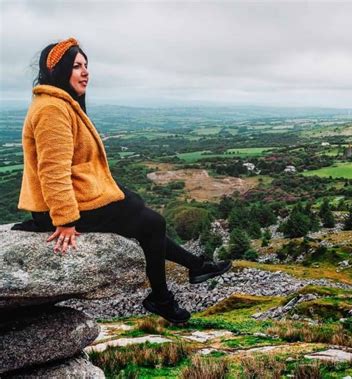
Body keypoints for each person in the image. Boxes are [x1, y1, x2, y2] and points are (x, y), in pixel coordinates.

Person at [12, 37, 232, 323]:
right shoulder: (53, 108)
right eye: (77, 66)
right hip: (64, 206)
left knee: (141, 212)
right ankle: (165, 296)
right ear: (59, 70)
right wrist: (63, 220)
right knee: (151, 220)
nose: (85, 72)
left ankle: (193, 268)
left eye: (86, 65)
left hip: (77, 196)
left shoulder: (59, 103)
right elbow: (52, 170)